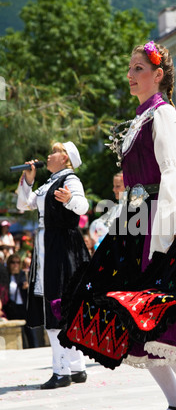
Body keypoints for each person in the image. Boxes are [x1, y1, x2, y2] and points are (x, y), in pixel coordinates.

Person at [58, 41, 176, 410]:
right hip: (132, 222)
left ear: (158, 75)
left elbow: (174, 172)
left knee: (150, 313)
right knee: (121, 313)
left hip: (153, 223)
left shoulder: (162, 115)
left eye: (138, 68)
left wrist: (167, 234)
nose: (130, 74)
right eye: (130, 68)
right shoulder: (141, 119)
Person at [16, 141, 91, 388]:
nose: (48, 155)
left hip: (60, 247)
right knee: (60, 304)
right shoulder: (49, 182)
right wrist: (28, 180)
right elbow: (23, 205)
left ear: (66, 158)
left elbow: (83, 206)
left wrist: (70, 199)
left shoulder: (70, 180)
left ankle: (61, 371)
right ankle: (77, 367)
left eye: (54, 151)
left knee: (56, 304)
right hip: (48, 246)